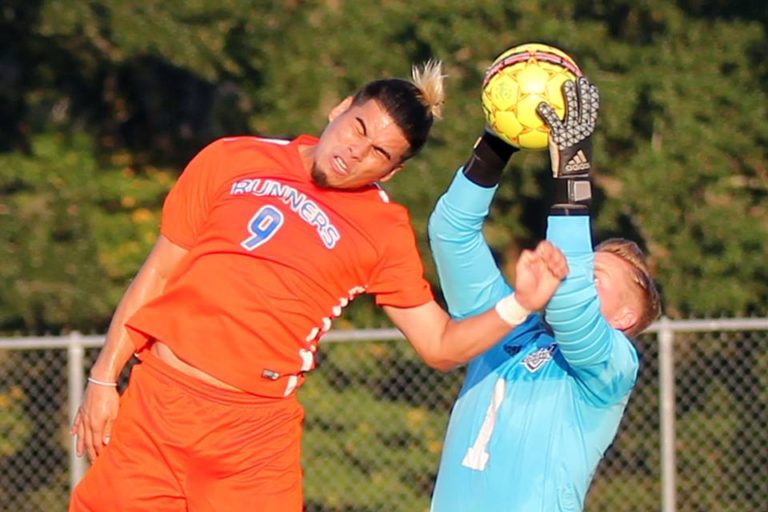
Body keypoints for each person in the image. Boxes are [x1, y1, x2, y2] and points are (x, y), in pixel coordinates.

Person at [68, 61, 567, 512]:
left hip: (250, 437)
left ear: (394, 170)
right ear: (340, 108)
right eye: (359, 128)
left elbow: (439, 346)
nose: (356, 151)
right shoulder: (231, 157)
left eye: (379, 152)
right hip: (156, 405)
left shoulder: (382, 230)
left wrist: (520, 303)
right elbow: (156, 275)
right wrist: (103, 375)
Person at [428, 76, 661, 511]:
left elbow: (573, 305)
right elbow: (451, 234)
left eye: (596, 277)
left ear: (624, 320)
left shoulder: (612, 367)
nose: (576, 271)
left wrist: (573, 170)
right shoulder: (504, 327)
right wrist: (499, 142)